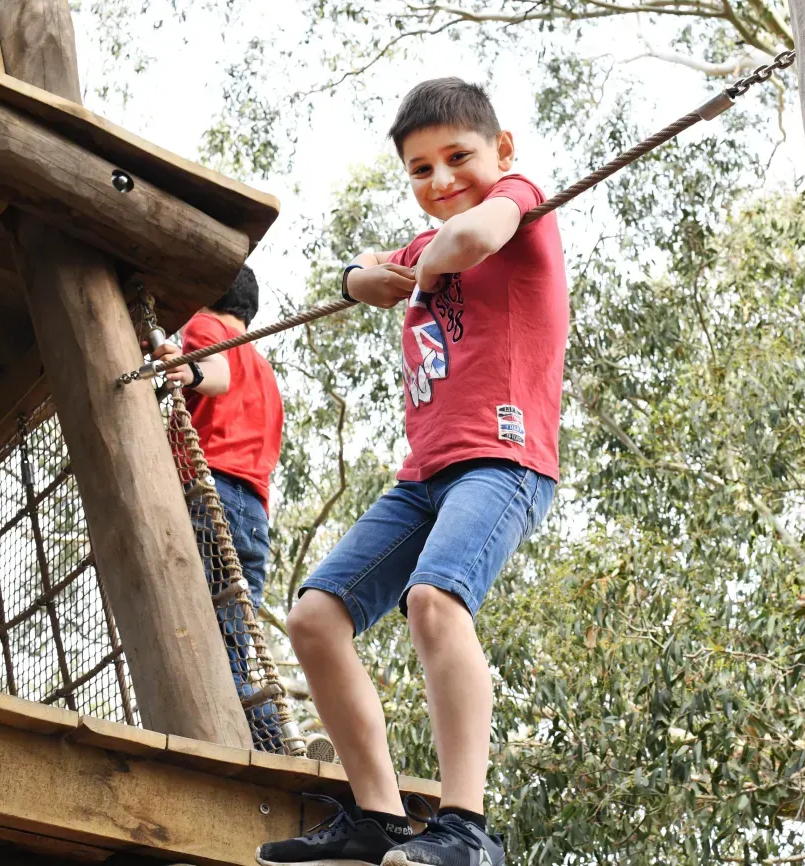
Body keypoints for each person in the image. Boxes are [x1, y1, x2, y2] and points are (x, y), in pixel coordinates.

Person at [255, 77, 566, 866]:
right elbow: (358, 273)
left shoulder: (520, 200)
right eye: (420, 170)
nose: (442, 181)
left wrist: (406, 267)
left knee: (434, 600)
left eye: (458, 157)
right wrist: (364, 277)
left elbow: (465, 243)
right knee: (314, 619)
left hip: (504, 460)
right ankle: (377, 817)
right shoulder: (423, 246)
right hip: (422, 476)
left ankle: (467, 827)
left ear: (501, 149)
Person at [148, 264, 288, 748]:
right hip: (253, 510)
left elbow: (216, 373)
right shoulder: (267, 373)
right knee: (236, 639)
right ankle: (275, 733)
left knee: (209, 637)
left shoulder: (205, 325)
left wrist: (189, 369)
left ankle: (263, 741)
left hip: (212, 493)